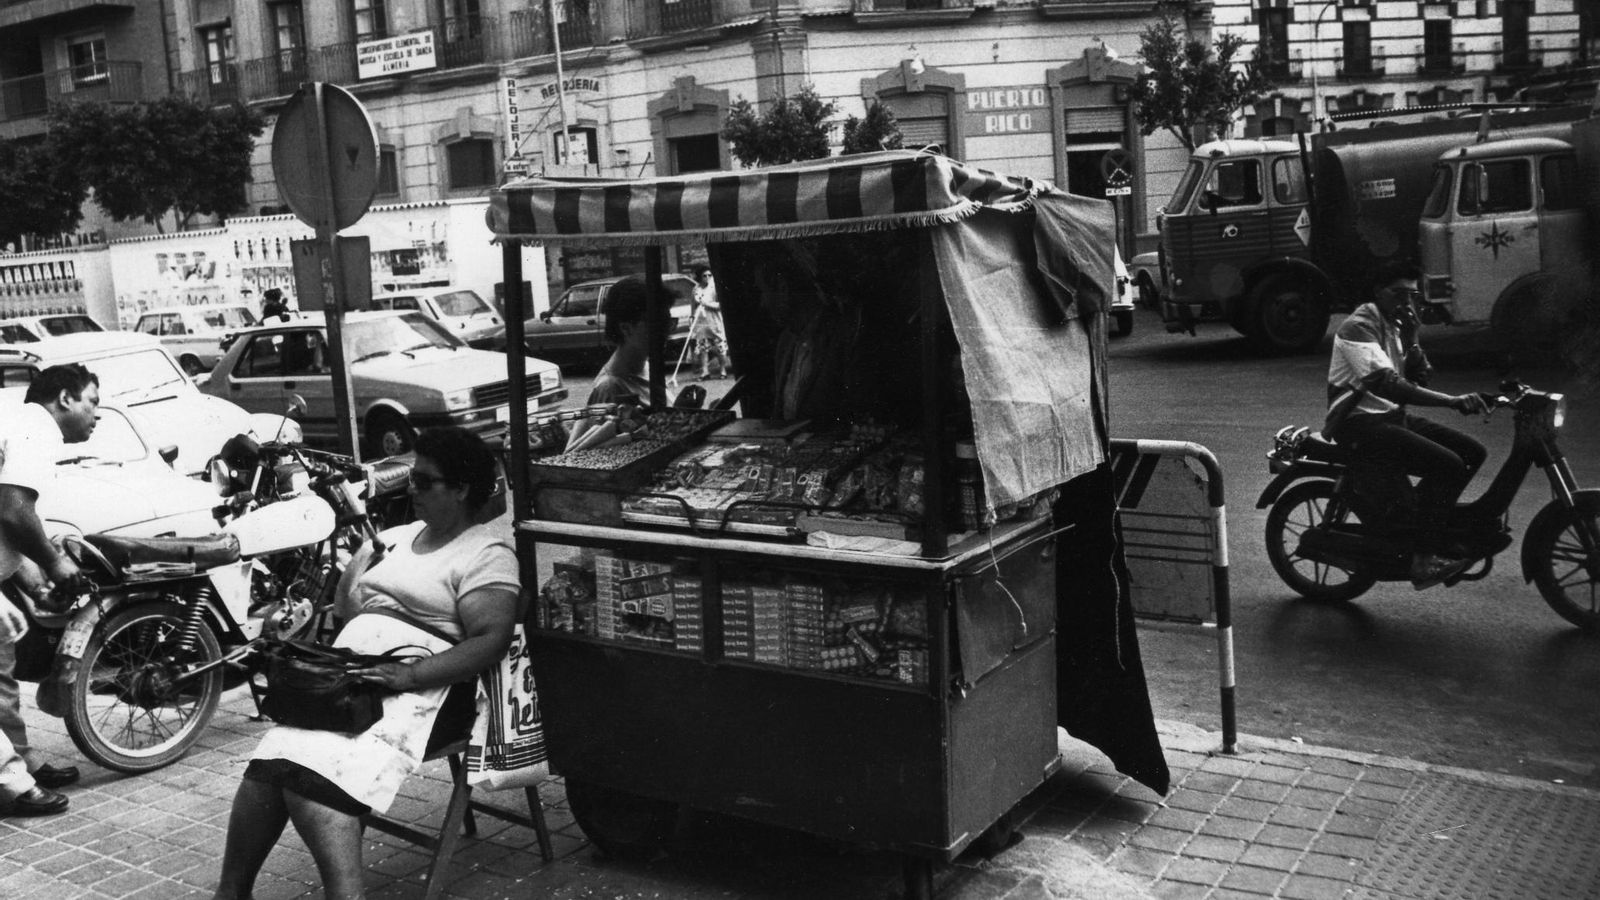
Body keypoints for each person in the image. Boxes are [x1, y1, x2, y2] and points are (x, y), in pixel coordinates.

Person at [212, 426, 518, 900]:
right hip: (355, 679)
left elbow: (490, 641)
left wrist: (410, 673)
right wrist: (356, 572)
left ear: (460, 490)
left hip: (429, 693)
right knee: (270, 759)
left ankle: (346, 894)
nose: (411, 490)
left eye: (425, 482)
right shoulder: (395, 538)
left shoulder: (485, 553)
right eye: (412, 479)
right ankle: (231, 893)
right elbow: (347, 610)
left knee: (311, 775)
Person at [1324, 260, 1489, 588]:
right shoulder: (1359, 325)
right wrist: (1452, 401)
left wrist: (1413, 337)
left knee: (1473, 452)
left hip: (1391, 418)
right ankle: (1422, 560)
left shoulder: (1394, 325)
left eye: (1412, 296)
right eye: (1398, 294)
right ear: (1377, 292)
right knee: (1450, 466)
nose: (1406, 303)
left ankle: (1415, 519)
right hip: (1359, 425)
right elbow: (1388, 384)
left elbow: (1419, 376)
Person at [0, 363, 100, 817]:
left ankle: (21, 758)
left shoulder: (17, 423)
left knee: (1, 663)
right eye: (92, 401)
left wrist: (28, 580)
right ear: (64, 398)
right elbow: (15, 511)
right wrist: (55, 563)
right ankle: (10, 782)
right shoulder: (36, 429)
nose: (96, 414)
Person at [587, 274, 669, 406]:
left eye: (668, 323)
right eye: (656, 324)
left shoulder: (645, 366)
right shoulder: (611, 390)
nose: (665, 332)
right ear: (626, 329)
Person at [689, 265, 730, 380]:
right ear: (700, 277)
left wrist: (707, 304)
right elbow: (693, 304)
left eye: (709, 275)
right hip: (701, 322)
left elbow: (721, 305)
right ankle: (705, 372)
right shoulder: (696, 289)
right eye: (704, 275)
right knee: (703, 347)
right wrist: (692, 317)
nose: (707, 277)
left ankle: (723, 370)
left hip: (714, 320)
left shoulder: (715, 288)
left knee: (720, 347)